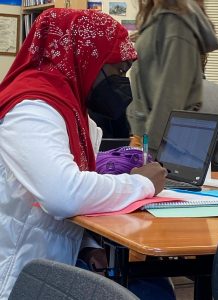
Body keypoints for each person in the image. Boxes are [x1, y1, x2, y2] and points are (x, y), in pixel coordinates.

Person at [0, 8, 175, 300]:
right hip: (16, 275)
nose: (122, 81)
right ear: (86, 60)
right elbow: (63, 194)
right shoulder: (32, 109)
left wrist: (89, 244)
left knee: (154, 289)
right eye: (117, 70)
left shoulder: (75, 113)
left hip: (51, 258)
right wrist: (142, 183)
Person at [127, 0, 218, 158]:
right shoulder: (159, 18)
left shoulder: (176, 24)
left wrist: (148, 153)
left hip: (163, 148)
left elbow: (169, 99)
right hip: (152, 142)